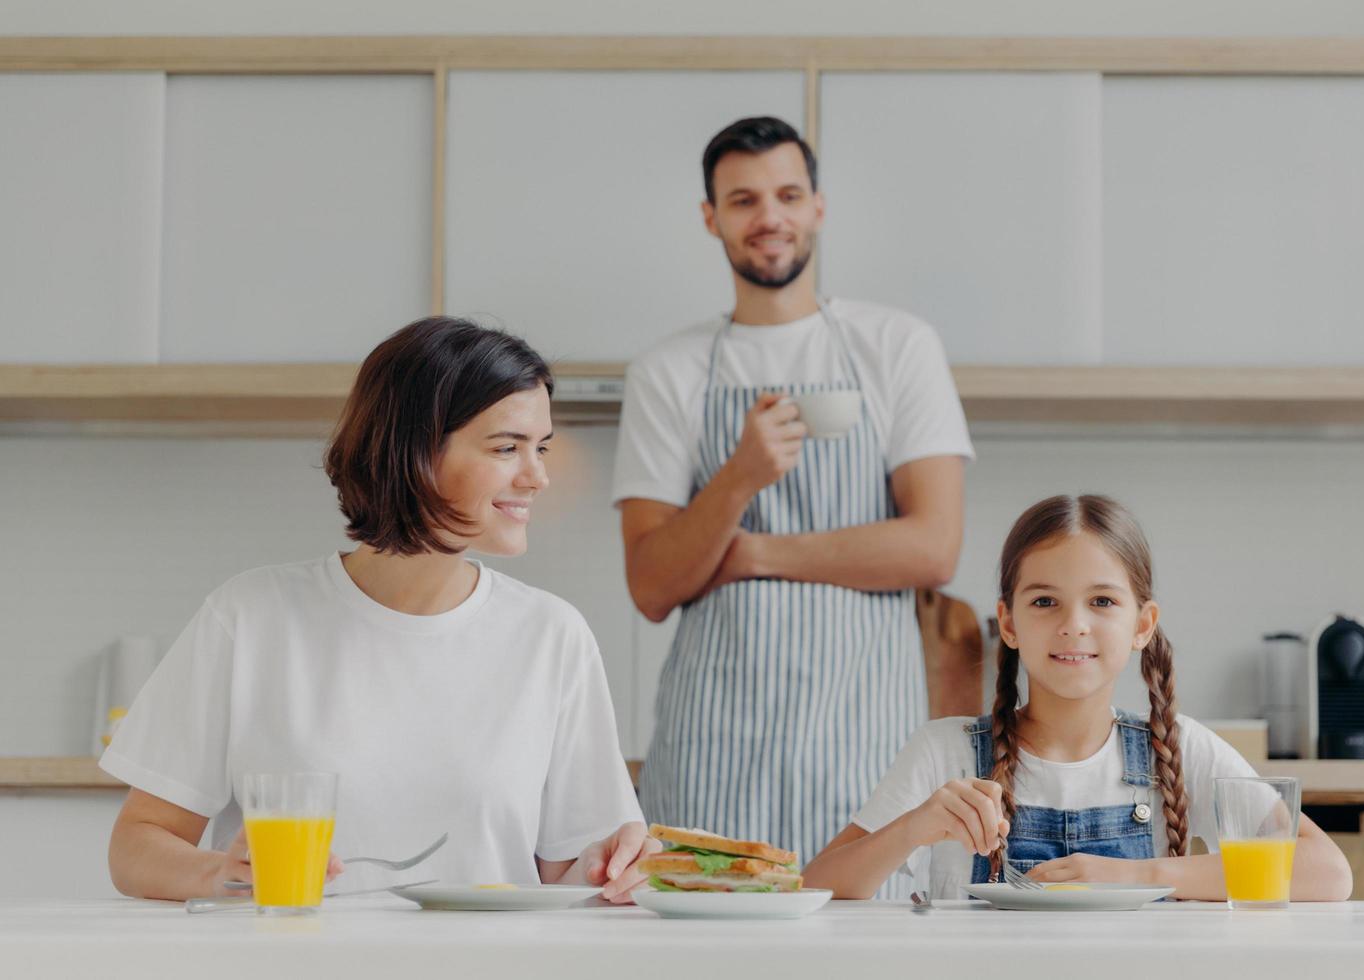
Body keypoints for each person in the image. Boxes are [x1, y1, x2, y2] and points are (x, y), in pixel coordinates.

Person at [103, 316, 656, 903]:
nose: (538, 475)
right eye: (506, 447)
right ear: (415, 450)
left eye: (540, 447)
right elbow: (137, 842)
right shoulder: (250, 617)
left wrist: (611, 867)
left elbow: (566, 875)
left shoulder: (552, 635)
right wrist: (218, 874)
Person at [613, 116, 973, 873]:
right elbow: (650, 583)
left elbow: (933, 546)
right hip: (713, 742)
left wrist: (751, 552)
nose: (768, 217)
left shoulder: (897, 346)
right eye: (742, 200)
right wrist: (741, 474)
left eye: (787, 194)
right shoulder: (667, 372)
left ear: (817, 207)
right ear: (711, 218)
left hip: (863, 742)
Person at [803, 494, 1354, 901]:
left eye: (1102, 602)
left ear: (1144, 624)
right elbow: (817, 886)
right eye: (1045, 601)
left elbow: (1327, 872)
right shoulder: (941, 751)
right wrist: (912, 828)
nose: (1074, 625)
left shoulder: (1180, 748)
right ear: (1008, 622)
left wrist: (1141, 874)